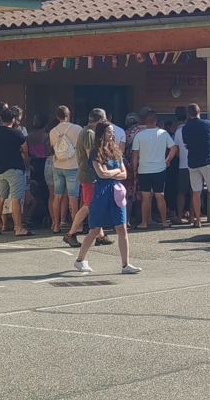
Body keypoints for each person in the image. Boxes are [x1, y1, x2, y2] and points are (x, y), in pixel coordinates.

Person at [73, 121, 141, 275]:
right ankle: (80, 260)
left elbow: (124, 174)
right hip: (101, 192)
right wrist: (116, 171)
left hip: (116, 192)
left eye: (112, 132)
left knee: (122, 227)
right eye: (109, 131)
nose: (112, 134)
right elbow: (101, 174)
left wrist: (112, 172)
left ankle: (125, 264)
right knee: (95, 229)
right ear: (101, 133)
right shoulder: (95, 152)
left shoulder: (116, 150)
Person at [65, 109, 109, 248]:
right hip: (89, 174)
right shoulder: (89, 133)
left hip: (88, 173)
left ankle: (101, 236)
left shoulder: (86, 131)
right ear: (99, 121)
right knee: (88, 205)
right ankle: (71, 233)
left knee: (94, 205)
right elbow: (92, 155)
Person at [131, 109, 178, 229]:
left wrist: (134, 169)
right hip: (159, 169)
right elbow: (174, 148)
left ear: (145, 121)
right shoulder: (163, 133)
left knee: (145, 197)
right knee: (160, 195)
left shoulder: (139, 135)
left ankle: (144, 222)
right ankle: (164, 222)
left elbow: (135, 154)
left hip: (143, 170)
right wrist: (167, 160)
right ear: (156, 121)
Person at [0, 105, 31, 236]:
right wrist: (27, 163)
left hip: (0, 169)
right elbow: (25, 150)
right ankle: (18, 228)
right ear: (13, 119)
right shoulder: (17, 133)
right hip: (15, 168)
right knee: (16, 199)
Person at [182, 103, 210, 229]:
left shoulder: (185, 128)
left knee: (196, 192)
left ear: (188, 114)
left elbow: (186, 144)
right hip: (208, 160)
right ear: (199, 111)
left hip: (193, 162)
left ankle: (198, 220)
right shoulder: (208, 124)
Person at [49, 106, 82, 235]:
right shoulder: (77, 129)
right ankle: (75, 226)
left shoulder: (53, 131)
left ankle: (56, 225)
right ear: (69, 115)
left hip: (57, 165)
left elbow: (53, 147)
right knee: (73, 198)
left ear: (57, 117)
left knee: (57, 196)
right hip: (73, 166)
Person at [171, 106, 192, 224]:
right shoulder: (195, 129)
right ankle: (193, 218)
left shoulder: (178, 131)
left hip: (183, 165)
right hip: (195, 164)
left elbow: (176, 149)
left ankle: (179, 217)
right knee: (195, 192)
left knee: (181, 192)